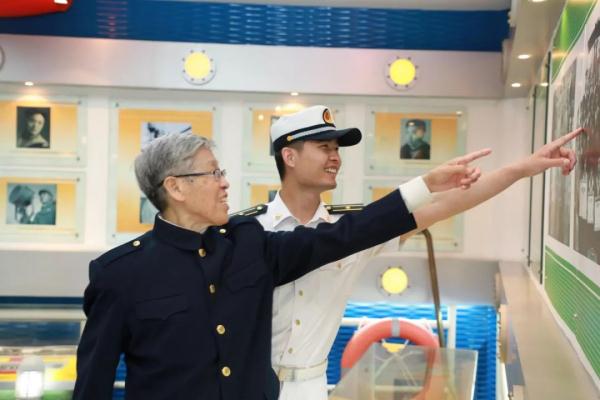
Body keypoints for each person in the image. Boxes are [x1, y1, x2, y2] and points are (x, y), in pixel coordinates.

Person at [73, 131, 482, 400]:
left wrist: (424, 186)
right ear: (175, 187)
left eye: (222, 171)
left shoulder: (247, 245)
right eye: (213, 173)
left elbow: (347, 234)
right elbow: (93, 385)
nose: (224, 182)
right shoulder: (120, 274)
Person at [251, 105, 582, 400]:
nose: (335, 157)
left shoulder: (353, 231)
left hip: (310, 388)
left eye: (337, 149)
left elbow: (447, 204)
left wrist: (524, 168)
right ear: (289, 157)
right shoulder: (248, 232)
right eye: (324, 148)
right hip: (247, 384)